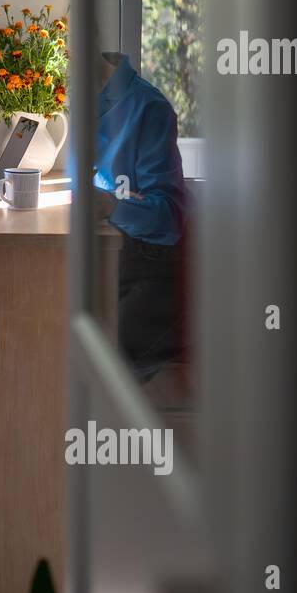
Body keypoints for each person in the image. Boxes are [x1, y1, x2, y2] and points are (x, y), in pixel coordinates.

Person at [91, 51, 191, 382]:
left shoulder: (149, 107)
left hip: (150, 273)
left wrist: (113, 206)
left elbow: (167, 217)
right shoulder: (90, 100)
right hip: (112, 256)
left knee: (91, 368)